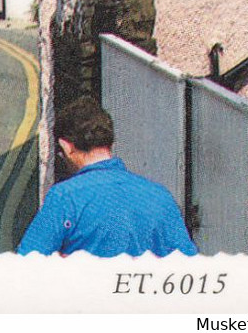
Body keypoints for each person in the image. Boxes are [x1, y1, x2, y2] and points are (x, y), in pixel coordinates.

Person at [17, 97, 197, 256]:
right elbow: (189, 269)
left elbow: (28, 265)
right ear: (109, 142)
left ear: (66, 147)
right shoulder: (160, 197)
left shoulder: (64, 197)